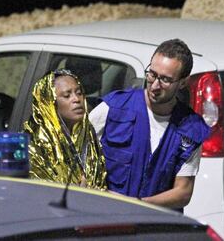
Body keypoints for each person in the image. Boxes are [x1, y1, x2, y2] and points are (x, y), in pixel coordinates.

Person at [89, 39, 210, 210]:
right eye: (152, 74)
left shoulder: (190, 128)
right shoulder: (113, 108)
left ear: (182, 82)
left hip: (152, 225)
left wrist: (137, 205)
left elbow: (183, 192)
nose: (154, 85)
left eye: (165, 80)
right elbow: (75, 156)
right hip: (105, 219)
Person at [24, 69, 107, 190]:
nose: (76, 99)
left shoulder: (89, 136)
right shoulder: (35, 146)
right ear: (50, 103)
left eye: (79, 93)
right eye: (67, 95)